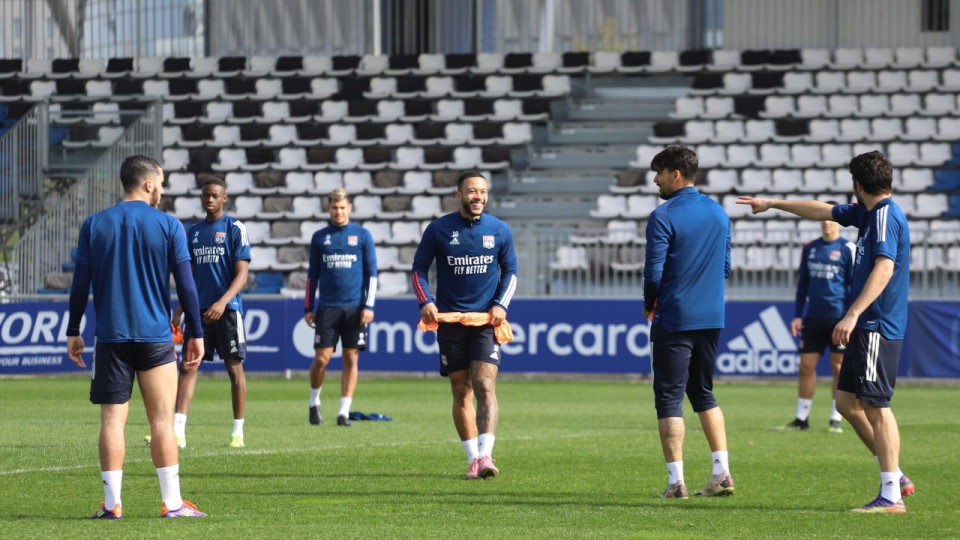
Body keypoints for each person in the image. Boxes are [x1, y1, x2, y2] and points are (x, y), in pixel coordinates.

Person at [737, 150, 915, 513]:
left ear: (858, 184)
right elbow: (821, 209)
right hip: (868, 324)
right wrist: (772, 203)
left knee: (878, 407)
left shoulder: (883, 217)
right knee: (846, 403)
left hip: (875, 324)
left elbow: (884, 268)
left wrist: (851, 315)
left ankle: (891, 496)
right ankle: (896, 476)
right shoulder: (868, 213)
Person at [66, 155, 207, 518]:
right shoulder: (168, 225)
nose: (162, 189)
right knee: (161, 420)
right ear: (148, 184)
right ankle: (172, 504)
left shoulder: (94, 224)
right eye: (160, 182)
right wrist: (195, 332)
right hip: (155, 336)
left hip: (111, 338)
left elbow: (80, 285)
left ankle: (112, 505)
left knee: (112, 422)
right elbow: (187, 286)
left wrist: (73, 330)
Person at [411, 170, 518, 480]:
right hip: (450, 322)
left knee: (485, 385)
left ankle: (486, 456)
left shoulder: (499, 230)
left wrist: (501, 304)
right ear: (459, 195)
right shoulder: (439, 229)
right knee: (461, 390)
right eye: (472, 192)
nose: (478, 197)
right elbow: (419, 268)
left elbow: (511, 270)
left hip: (485, 322)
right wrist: (425, 301)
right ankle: (473, 458)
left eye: (482, 192)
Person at [642, 145, 735, 499]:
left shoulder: (663, 215)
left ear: (675, 174)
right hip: (712, 317)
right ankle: (721, 473)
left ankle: (675, 481)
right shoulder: (718, 213)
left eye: (659, 173)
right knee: (703, 392)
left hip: (675, 316)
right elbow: (726, 267)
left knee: (668, 398)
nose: (655, 180)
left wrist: (649, 301)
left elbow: (654, 270)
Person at [171, 175, 251, 448]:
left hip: (227, 310)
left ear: (224, 198)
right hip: (198, 311)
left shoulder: (235, 228)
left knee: (234, 369)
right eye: (206, 195)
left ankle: (237, 432)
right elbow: (189, 277)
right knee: (188, 366)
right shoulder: (193, 232)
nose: (209, 199)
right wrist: (181, 308)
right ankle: (177, 431)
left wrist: (222, 302)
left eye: (215, 195)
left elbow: (242, 275)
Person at [304, 188, 378, 427]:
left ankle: (343, 412)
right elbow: (312, 276)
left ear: (350, 208)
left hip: (355, 308)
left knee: (350, 358)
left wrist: (369, 305)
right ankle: (314, 401)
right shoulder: (320, 237)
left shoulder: (363, 236)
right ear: (329, 208)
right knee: (322, 359)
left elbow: (372, 275)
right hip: (327, 308)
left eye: (342, 208)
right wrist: (308, 307)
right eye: (335, 208)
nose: (338, 212)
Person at [779, 205, 854, 433]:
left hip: (838, 318)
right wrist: (797, 316)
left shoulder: (848, 248)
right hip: (813, 317)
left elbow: (853, 285)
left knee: (838, 367)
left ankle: (836, 418)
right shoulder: (810, 248)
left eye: (831, 219)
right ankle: (802, 419)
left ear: (838, 222)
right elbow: (803, 285)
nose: (826, 223)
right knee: (805, 366)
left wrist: (851, 316)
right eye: (824, 219)